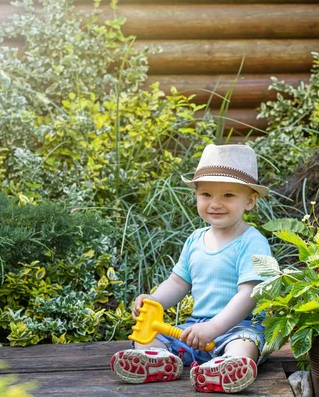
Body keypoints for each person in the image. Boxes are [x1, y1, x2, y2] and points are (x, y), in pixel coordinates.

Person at [110, 144, 272, 394]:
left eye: (228, 196)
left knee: (244, 341)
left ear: (249, 201)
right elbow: (177, 283)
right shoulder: (195, 240)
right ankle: (159, 360)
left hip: (238, 325)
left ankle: (230, 365)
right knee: (146, 336)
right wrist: (154, 301)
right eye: (206, 194)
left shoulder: (252, 242)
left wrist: (215, 328)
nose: (215, 204)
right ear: (196, 195)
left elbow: (249, 295)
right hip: (196, 328)